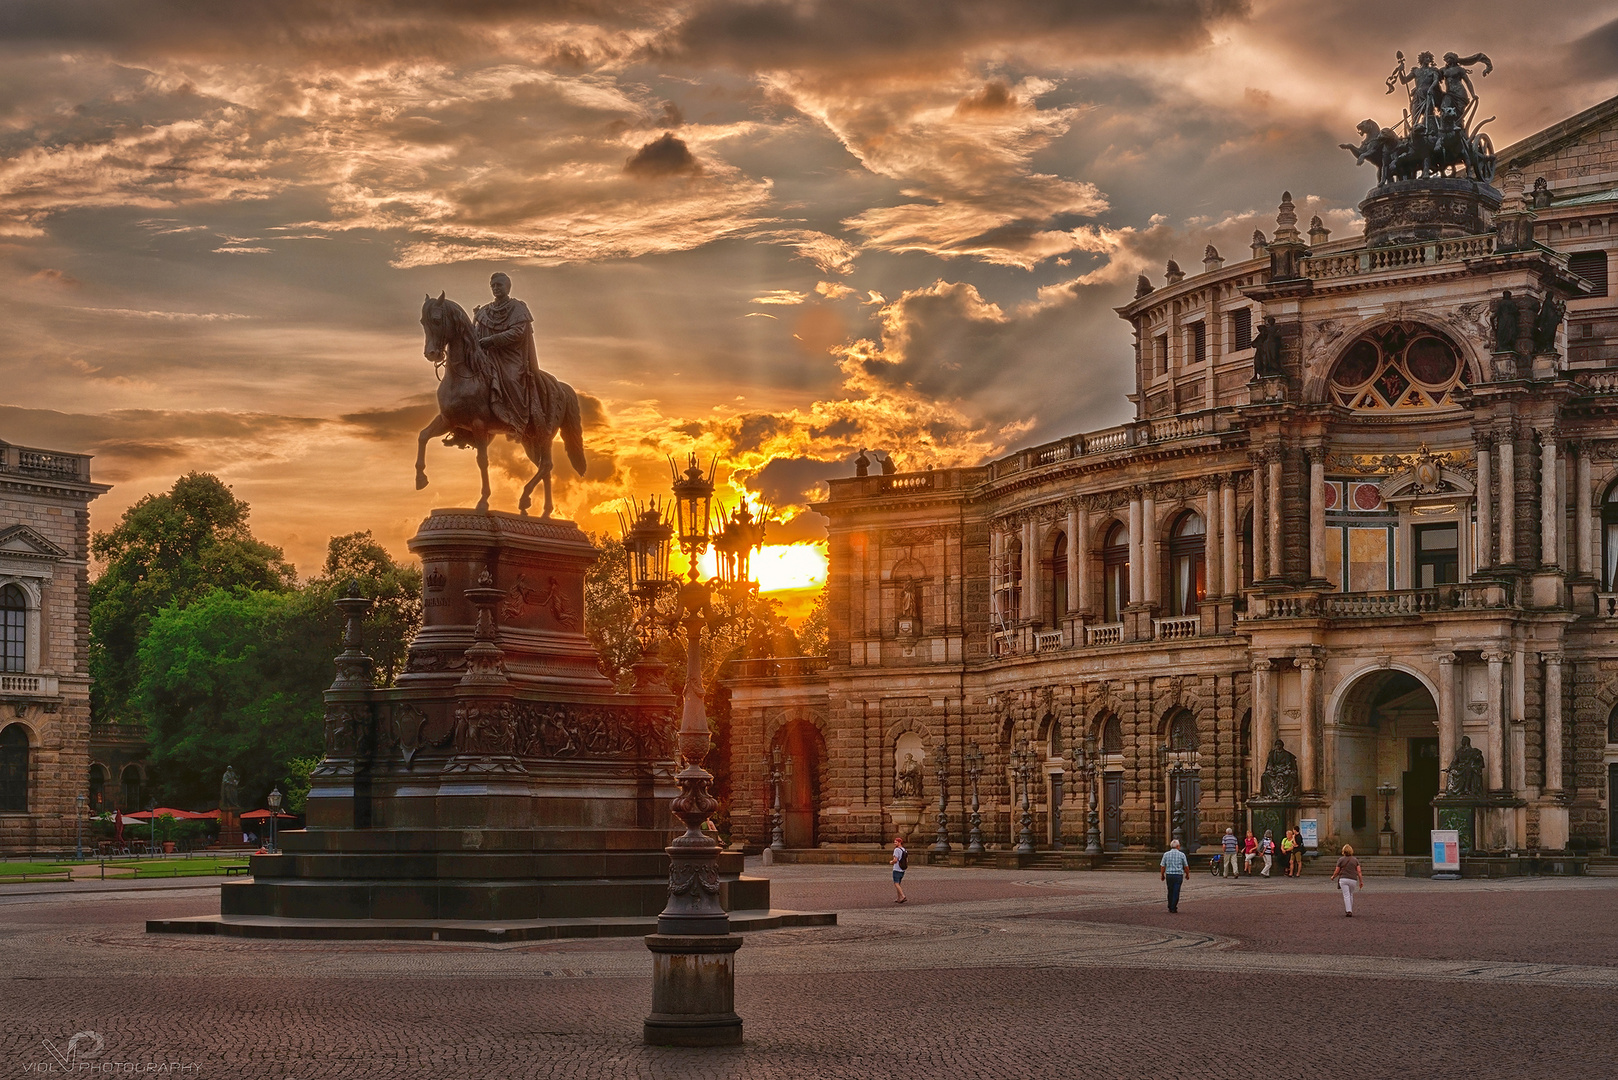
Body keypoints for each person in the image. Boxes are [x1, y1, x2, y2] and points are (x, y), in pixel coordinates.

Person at [1331, 843, 1365, 917]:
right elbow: (1359, 871)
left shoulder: (1341, 859)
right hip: (1353, 879)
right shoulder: (1355, 860)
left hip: (1343, 879)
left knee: (1346, 895)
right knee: (1351, 894)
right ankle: (1350, 909)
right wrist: (1361, 881)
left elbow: (1337, 871)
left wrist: (1333, 876)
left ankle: (1348, 910)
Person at [1160, 839, 1189, 912]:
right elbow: (1186, 866)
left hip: (1169, 875)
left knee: (1170, 890)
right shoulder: (1182, 855)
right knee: (1176, 891)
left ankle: (1170, 905)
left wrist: (1162, 875)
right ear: (1178, 846)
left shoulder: (1166, 854)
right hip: (1178, 875)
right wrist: (1187, 874)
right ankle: (1173, 906)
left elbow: (1163, 866)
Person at [890, 835, 908, 904]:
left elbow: (895, 860)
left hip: (897, 868)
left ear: (899, 842)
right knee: (899, 883)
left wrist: (891, 862)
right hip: (902, 869)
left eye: (896, 842)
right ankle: (898, 898)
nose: (895, 843)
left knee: (896, 883)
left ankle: (903, 896)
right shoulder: (904, 850)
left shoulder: (896, 850)